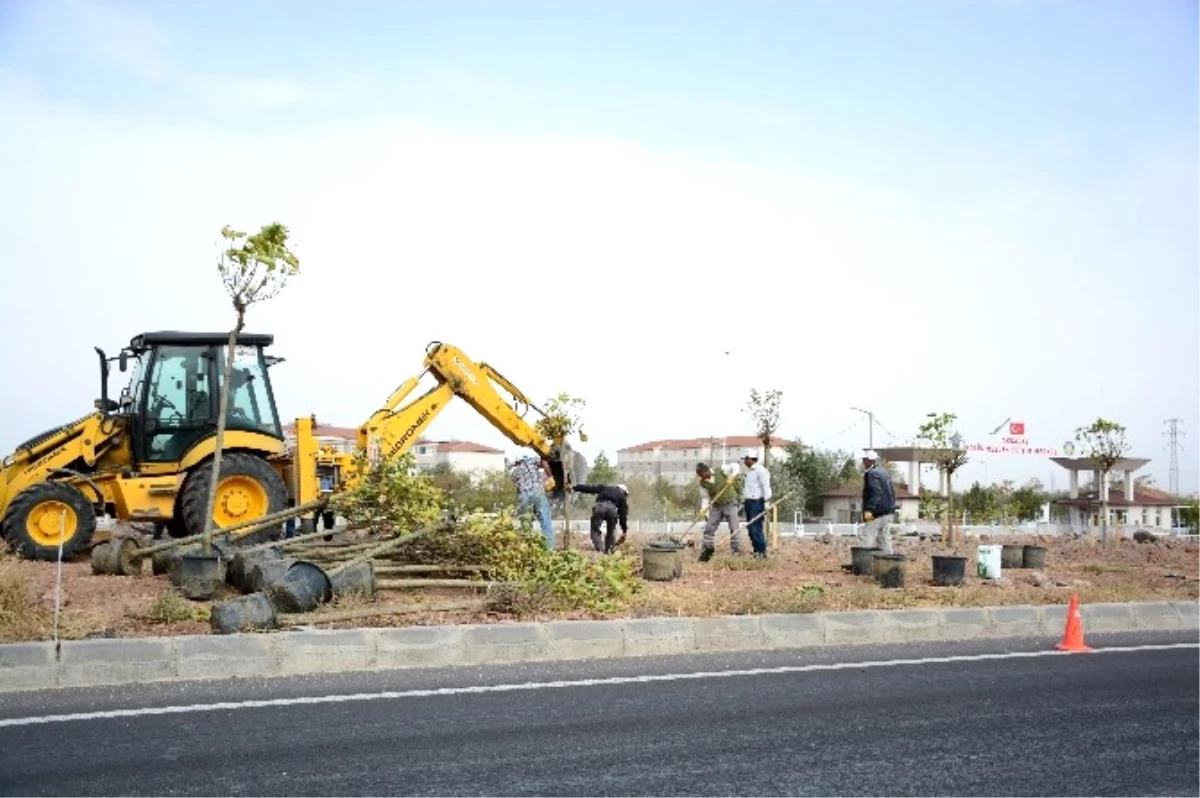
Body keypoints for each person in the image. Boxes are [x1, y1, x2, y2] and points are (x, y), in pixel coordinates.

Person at [695, 462, 744, 561]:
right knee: (709, 528)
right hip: (716, 506)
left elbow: (736, 466)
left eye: (702, 475)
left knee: (734, 528)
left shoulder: (721, 470)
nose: (702, 478)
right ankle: (707, 550)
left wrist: (732, 476)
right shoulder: (702, 484)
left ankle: (736, 552)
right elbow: (705, 499)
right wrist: (703, 510)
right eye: (700, 476)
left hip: (730, 503)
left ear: (707, 471)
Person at [508, 455, 555, 547]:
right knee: (545, 522)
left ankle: (529, 549)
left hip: (524, 495)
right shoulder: (531, 461)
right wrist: (550, 476)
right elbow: (544, 461)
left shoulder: (514, 472)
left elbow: (517, 487)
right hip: (538, 493)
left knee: (526, 524)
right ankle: (549, 549)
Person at [571, 482, 629, 554]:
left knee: (595, 530)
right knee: (611, 531)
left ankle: (600, 550)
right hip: (612, 510)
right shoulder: (622, 496)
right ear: (624, 492)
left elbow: (589, 489)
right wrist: (624, 530)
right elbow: (623, 515)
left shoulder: (605, 488)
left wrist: (574, 487)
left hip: (600, 507)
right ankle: (608, 551)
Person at [860, 449, 896, 553]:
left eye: (864, 459)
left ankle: (863, 562)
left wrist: (869, 511)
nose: (863, 462)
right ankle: (888, 561)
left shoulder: (871, 474)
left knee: (867, 537)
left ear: (868, 460)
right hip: (888, 511)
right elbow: (892, 492)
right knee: (884, 539)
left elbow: (876, 493)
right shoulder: (884, 472)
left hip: (876, 512)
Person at [740, 448, 772, 558]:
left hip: (757, 502)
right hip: (748, 503)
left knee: (756, 527)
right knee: (750, 528)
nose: (744, 461)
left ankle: (762, 552)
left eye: (745, 459)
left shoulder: (761, 470)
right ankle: (756, 551)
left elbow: (765, 486)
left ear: (750, 458)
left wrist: (767, 502)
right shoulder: (749, 472)